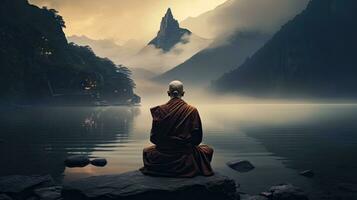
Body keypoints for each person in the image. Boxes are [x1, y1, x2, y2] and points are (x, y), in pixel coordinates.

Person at [140, 80, 214, 177]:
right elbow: (197, 140)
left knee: (147, 151)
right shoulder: (192, 110)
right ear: (183, 93)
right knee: (208, 150)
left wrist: (168, 145)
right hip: (184, 155)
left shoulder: (159, 110)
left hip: (163, 154)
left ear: (168, 93)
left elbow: (153, 139)